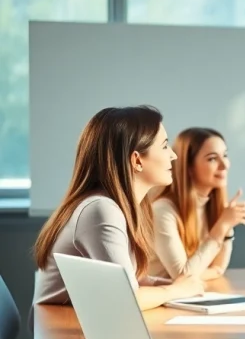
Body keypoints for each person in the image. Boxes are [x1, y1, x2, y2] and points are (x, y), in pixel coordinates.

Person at [33, 106, 204, 310]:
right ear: (137, 160)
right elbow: (127, 299)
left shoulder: (117, 206)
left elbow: (129, 280)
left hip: (85, 329)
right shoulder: (101, 210)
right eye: (165, 146)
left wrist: (171, 286)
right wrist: (176, 290)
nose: (174, 156)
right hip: (64, 337)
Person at [149, 128, 245, 280]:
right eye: (212, 158)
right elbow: (183, 276)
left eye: (225, 155)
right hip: (157, 301)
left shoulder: (212, 207)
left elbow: (218, 269)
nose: (224, 165)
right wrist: (223, 226)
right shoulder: (162, 211)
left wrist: (228, 226)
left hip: (183, 297)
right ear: (189, 167)